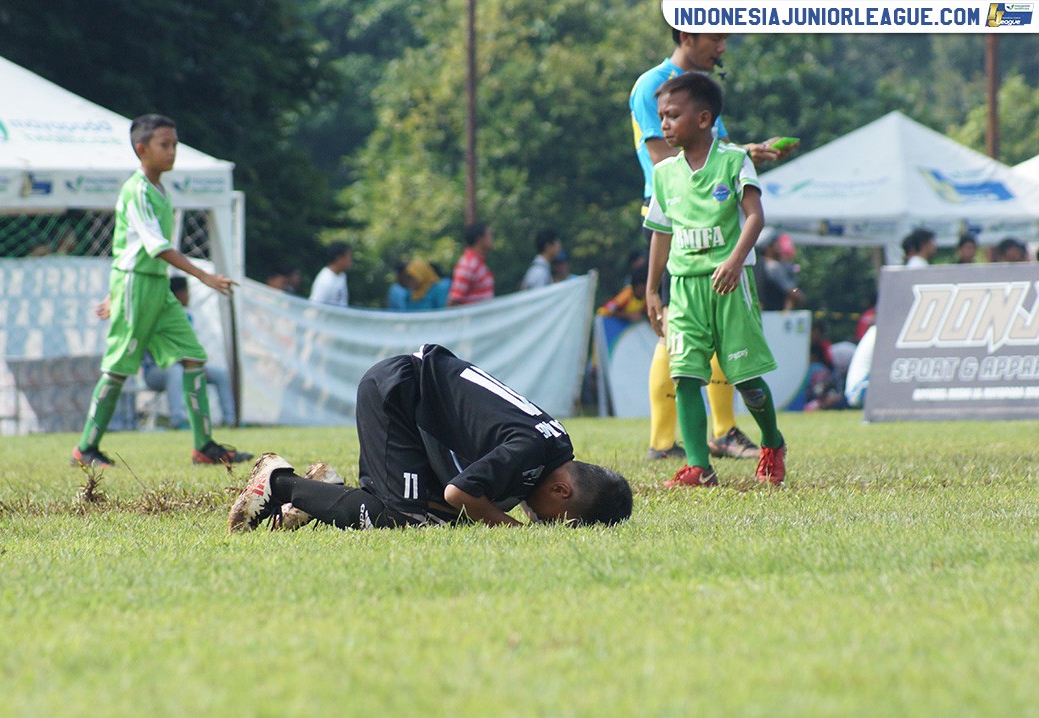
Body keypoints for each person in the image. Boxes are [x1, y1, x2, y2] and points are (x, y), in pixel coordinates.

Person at [228, 344, 633, 532]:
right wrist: (513, 529)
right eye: (549, 520)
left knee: (438, 517)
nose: (538, 519)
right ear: (561, 490)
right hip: (398, 396)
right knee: (406, 520)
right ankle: (281, 483)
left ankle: (323, 494)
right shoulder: (528, 453)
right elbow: (461, 493)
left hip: (418, 402)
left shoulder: (555, 444)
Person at [630, 27, 796, 464]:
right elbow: (663, 159)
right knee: (675, 345)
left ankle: (733, 432)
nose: (722, 47)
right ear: (687, 34)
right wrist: (650, 288)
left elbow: (716, 156)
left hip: (723, 250)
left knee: (738, 364)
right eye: (715, 37)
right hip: (677, 227)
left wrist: (745, 154)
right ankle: (669, 443)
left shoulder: (705, 101)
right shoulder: (653, 85)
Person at [70, 114, 252, 468]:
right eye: (164, 145)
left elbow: (130, 244)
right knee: (119, 366)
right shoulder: (137, 190)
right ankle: (85, 448)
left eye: (175, 145)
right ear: (142, 149)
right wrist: (205, 276)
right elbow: (156, 247)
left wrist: (115, 292)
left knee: (193, 355)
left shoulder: (159, 189)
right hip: (139, 286)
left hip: (154, 285)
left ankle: (204, 446)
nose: (172, 152)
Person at [140, 276, 237, 428]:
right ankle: (178, 420)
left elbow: (191, 348)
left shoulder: (187, 317)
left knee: (220, 374)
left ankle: (230, 421)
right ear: (178, 294)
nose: (188, 296)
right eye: (186, 292)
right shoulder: (156, 316)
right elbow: (157, 351)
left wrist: (195, 366)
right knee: (175, 371)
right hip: (156, 371)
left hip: (186, 367)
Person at [753, 228, 805, 311]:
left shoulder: (756, 265)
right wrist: (797, 294)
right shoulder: (773, 267)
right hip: (774, 316)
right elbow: (791, 291)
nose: (779, 246)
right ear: (768, 247)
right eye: (776, 243)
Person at [447, 222, 495, 306]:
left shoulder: (479, 263)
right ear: (479, 239)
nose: (491, 239)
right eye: (489, 235)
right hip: (474, 318)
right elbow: (454, 299)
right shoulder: (468, 265)